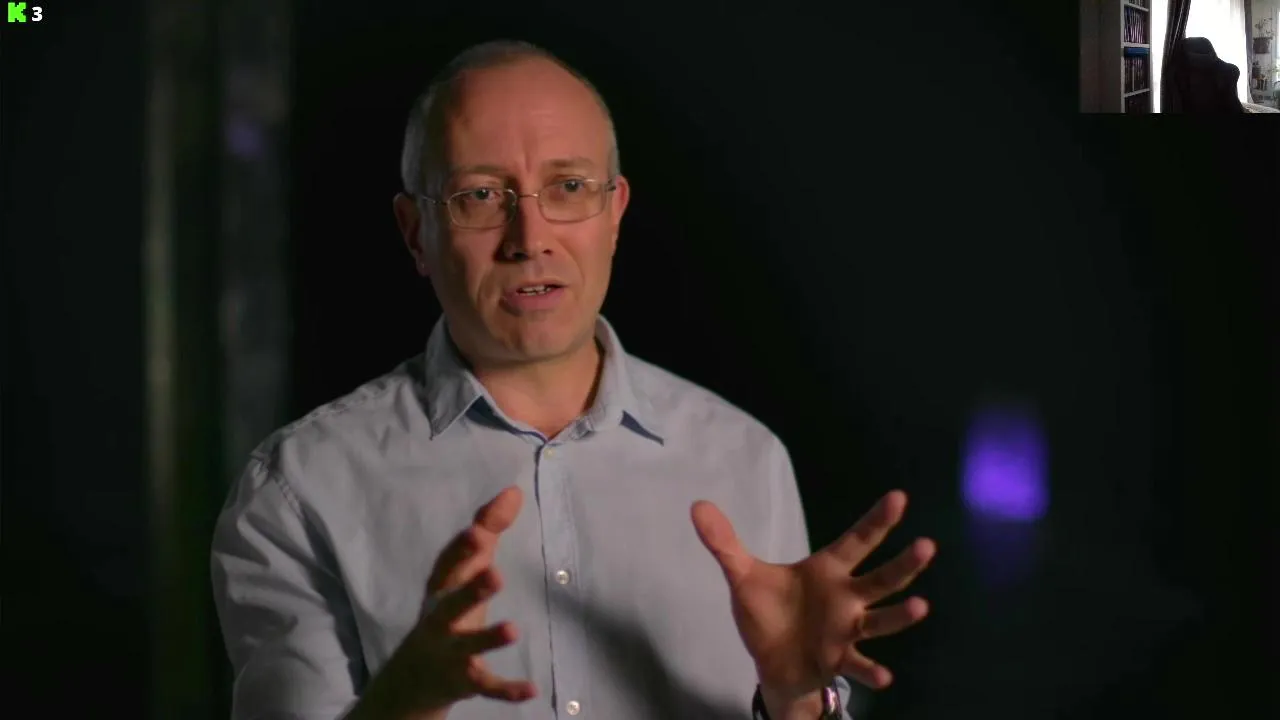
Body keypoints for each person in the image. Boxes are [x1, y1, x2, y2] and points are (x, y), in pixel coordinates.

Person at [210, 39, 936, 720]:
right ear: (414, 233)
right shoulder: (301, 489)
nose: (530, 240)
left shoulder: (746, 460)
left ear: (614, 214)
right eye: (480, 196)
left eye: (568, 187)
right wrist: (400, 704)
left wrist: (795, 699)